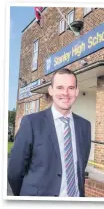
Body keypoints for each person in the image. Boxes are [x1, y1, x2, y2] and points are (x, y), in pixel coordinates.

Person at [8, 68, 91, 197]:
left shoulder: (84, 126)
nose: (65, 93)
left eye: (71, 88)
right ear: (50, 90)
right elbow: (14, 171)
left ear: (77, 91)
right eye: (60, 87)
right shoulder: (31, 123)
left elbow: (80, 167)